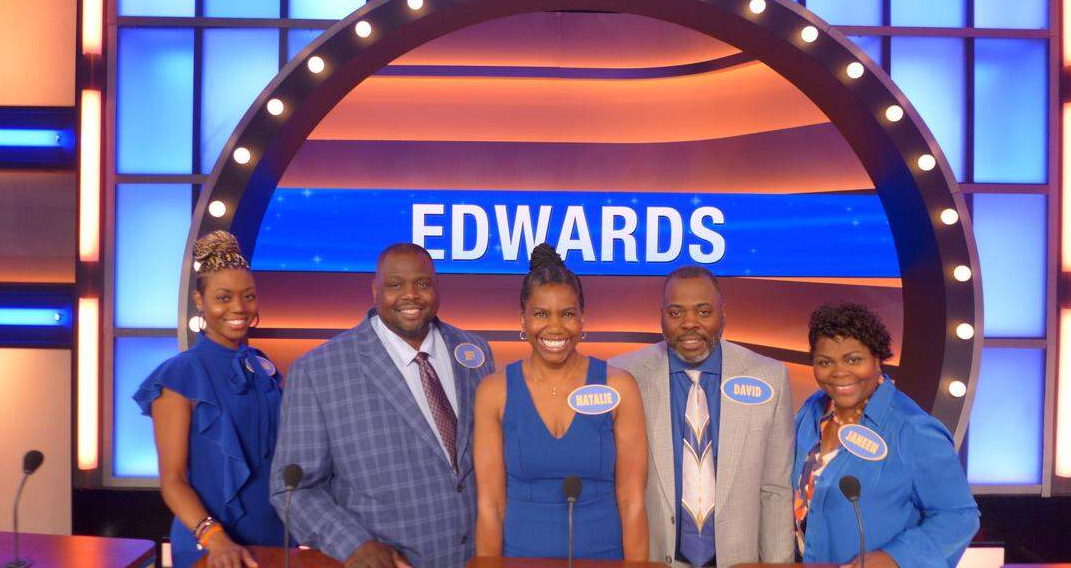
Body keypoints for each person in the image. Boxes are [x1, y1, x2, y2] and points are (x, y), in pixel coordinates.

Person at [271, 243, 495, 568]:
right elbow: (293, 489)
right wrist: (353, 546)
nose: (411, 295)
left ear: (436, 287)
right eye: (395, 285)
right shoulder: (318, 370)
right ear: (375, 290)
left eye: (422, 283)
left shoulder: (475, 351)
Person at [474, 243, 649, 560]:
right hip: (520, 560)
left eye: (567, 314)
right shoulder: (494, 391)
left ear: (583, 319)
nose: (555, 327)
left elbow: (632, 502)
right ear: (523, 320)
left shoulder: (619, 387)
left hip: (604, 559)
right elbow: (490, 505)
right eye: (541, 314)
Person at [612, 266, 795, 568]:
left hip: (738, 561)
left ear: (723, 314)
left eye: (703, 311)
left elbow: (775, 490)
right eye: (675, 313)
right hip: (655, 560)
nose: (689, 323)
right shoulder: (623, 375)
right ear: (661, 316)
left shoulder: (769, 376)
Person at [133, 231, 284, 568]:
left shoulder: (262, 367)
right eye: (223, 297)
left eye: (248, 296)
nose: (239, 308)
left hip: (273, 539)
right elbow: (172, 481)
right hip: (211, 548)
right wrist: (216, 540)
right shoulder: (180, 374)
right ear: (199, 301)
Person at [794, 302, 979, 568]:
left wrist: (896, 557)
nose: (839, 372)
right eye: (825, 362)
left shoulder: (914, 429)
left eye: (853, 360)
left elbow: (959, 516)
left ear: (877, 358)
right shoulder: (812, 409)